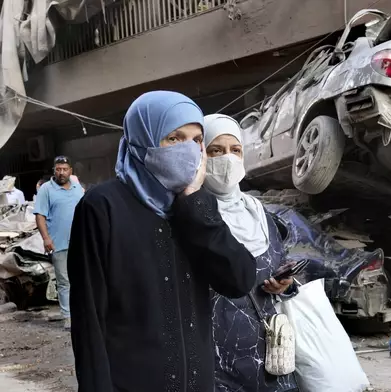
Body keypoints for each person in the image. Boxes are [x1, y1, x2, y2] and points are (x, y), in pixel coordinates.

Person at [67, 91, 257, 392]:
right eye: (174, 138)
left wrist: (195, 206)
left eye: (196, 140)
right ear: (144, 138)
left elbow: (240, 279)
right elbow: (89, 320)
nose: (189, 150)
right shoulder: (102, 207)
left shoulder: (194, 206)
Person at [202, 114, 300, 392]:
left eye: (235, 150)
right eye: (215, 151)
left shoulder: (259, 213)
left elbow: (279, 267)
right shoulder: (190, 215)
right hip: (214, 356)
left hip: (269, 350)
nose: (227, 159)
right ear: (200, 156)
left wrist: (285, 284)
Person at [34, 156, 84, 328]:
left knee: (82, 279)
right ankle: (67, 317)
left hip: (81, 243)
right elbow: (40, 215)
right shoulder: (46, 189)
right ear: (54, 171)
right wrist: (46, 238)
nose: (61, 172)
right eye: (58, 169)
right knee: (64, 281)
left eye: (64, 169)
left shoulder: (78, 187)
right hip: (59, 243)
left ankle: (82, 312)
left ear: (71, 170)